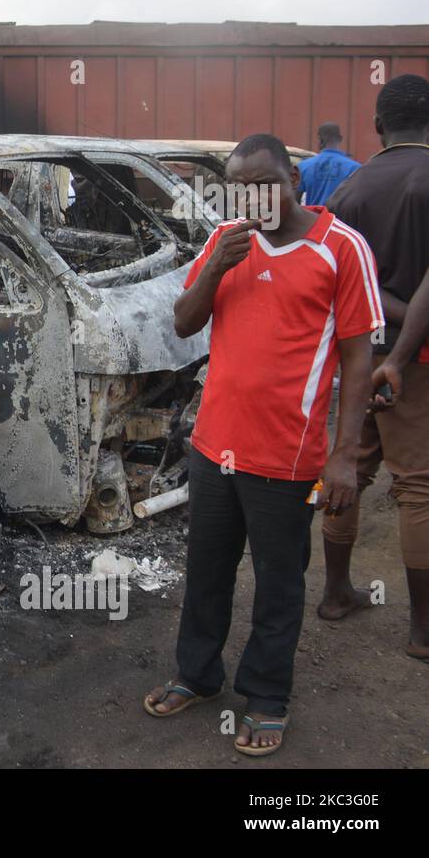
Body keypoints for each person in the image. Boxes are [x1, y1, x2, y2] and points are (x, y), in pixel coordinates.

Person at [144, 133, 382, 756]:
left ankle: (267, 696)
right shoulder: (226, 243)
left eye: (264, 182)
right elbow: (184, 321)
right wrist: (219, 263)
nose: (252, 196)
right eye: (239, 185)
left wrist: (344, 454)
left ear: (296, 182)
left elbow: (359, 358)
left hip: (288, 455)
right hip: (215, 445)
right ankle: (196, 674)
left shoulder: (341, 249)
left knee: (279, 583)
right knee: (206, 573)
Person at [321, 73, 429, 659]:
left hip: (361, 354)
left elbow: (339, 281)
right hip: (419, 364)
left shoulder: (350, 191)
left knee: (352, 471)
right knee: (419, 487)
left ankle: (335, 593)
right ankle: (423, 631)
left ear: (379, 128)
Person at [297, 122, 361, 206]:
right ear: (340, 139)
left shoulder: (303, 166)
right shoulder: (354, 168)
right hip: (339, 219)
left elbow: (295, 199)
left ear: (320, 140)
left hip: (314, 218)